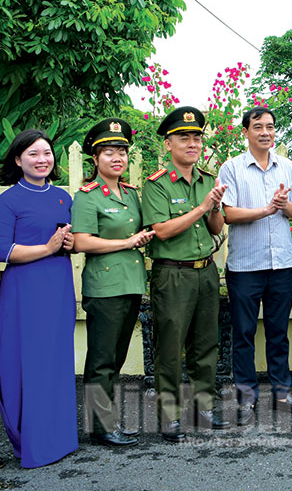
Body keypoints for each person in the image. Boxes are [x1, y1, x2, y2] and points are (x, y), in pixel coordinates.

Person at [141, 106, 231, 442]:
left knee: (206, 343)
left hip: (205, 271)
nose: (192, 143)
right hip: (173, 275)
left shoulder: (207, 180)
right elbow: (162, 230)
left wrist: (216, 207)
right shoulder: (157, 185)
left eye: (196, 137)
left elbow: (215, 227)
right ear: (168, 144)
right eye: (183, 137)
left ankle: (203, 408)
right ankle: (170, 417)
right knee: (170, 345)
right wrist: (202, 207)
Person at [219, 106, 292, 425]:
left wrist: (284, 206)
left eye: (270, 126)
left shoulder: (287, 167)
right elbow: (227, 214)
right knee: (243, 333)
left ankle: (281, 395)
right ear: (246, 132)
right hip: (245, 266)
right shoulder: (232, 169)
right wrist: (266, 209)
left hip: (280, 264)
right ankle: (245, 399)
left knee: (278, 333)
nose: (266, 132)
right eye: (258, 127)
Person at [72, 119, 154, 446]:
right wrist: (126, 242)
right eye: (109, 152)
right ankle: (99, 426)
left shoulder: (131, 193)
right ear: (96, 158)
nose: (117, 157)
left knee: (116, 358)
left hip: (130, 284)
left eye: (121, 151)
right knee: (102, 360)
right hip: (105, 288)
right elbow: (82, 241)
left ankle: (106, 421)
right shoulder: (88, 196)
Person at [0, 130, 77, 467]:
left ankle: (59, 439)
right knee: (28, 364)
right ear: (18, 160)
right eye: (33, 154)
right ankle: (30, 442)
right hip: (23, 291)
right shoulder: (8, 200)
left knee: (56, 362)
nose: (42, 159)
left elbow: (70, 238)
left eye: (46, 153)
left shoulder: (64, 197)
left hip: (58, 286)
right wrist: (46, 248)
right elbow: (4, 250)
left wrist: (69, 244)